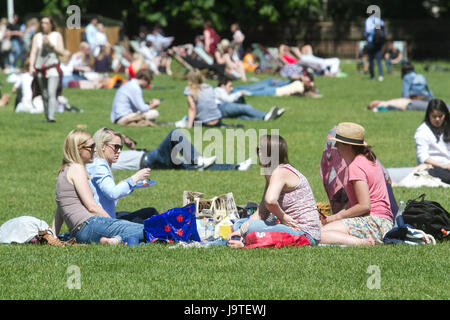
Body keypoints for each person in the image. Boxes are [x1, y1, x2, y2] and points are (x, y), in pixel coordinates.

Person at [51, 129, 146, 245]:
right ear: (78, 149)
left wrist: (53, 234)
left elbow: (61, 208)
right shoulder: (77, 168)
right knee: (144, 229)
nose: (95, 149)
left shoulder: (64, 170)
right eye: (91, 146)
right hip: (88, 224)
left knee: (138, 239)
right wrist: (113, 223)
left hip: (78, 231)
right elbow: (92, 207)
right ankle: (116, 240)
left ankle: (119, 242)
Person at [227, 134, 321, 248]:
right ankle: (248, 237)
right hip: (288, 228)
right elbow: (262, 211)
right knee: (240, 224)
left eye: (262, 150)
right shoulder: (271, 173)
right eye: (258, 149)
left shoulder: (280, 171)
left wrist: (283, 218)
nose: (259, 153)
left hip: (304, 233)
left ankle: (244, 243)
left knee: (250, 227)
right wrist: (243, 228)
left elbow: (270, 201)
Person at [320, 122, 394, 246]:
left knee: (319, 234)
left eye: (338, 143)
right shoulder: (369, 159)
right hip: (384, 222)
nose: (336, 146)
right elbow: (356, 202)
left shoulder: (356, 166)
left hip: (374, 222)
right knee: (326, 231)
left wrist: (336, 217)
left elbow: (364, 206)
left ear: (348, 146)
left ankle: (361, 243)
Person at [86, 128, 158, 224]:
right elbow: (113, 193)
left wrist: (126, 185)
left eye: (121, 147)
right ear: (103, 146)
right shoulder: (99, 165)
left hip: (99, 219)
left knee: (129, 214)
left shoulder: (95, 163)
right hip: (103, 224)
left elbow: (107, 197)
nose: (119, 151)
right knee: (150, 213)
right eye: (116, 147)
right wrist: (135, 177)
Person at [111, 129, 253, 172]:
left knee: (195, 168)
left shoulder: (102, 154)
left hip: (148, 159)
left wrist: (122, 136)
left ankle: (237, 167)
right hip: (149, 160)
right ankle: (197, 159)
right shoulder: (99, 160)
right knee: (174, 134)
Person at [29, 16, 65, 122]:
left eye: (46, 23)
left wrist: (50, 45)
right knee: (44, 94)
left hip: (52, 68)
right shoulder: (37, 36)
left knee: (51, 92)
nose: (43, 25)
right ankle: (47, 116)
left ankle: (51, 116)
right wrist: (31, 66)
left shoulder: (56, 35)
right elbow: (33, 52)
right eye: (42, 23)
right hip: (40, 69)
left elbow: (62, 52)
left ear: (51, 25)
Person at [214, 77, 284, 121]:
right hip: (221, 107)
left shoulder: (221, 91)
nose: (231, 88)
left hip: (221, 111)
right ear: (223, 86)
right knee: (246, 108)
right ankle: (266, 115)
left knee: (243, 116)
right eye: (230, 86)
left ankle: (268, 118)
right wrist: (239, 93)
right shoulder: (218, 89)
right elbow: (228, 100)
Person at [414, 99, 450, 180]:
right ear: (428, 115)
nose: (437, 119)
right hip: (433, 168)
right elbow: (423, 157)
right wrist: (443, 165)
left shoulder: (447, 127)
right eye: (434, 116)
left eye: (440, 116)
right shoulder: (422, 131)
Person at [364, 15, 386, 81]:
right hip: (379, 42)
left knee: (371, 59)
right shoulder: (380, 20)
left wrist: (367, 33)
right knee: (379, 60)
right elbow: (384, 31)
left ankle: (372, 76)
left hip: (371, 42)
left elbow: (367, 31)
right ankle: (380, 76)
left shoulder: (368, 20)